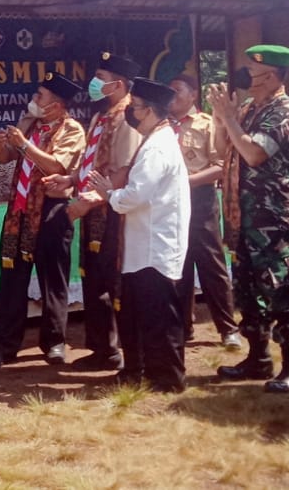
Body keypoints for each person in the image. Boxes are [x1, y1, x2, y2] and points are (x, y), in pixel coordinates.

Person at [76, 78, 190, 392]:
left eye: (136, 108)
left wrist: (109, 193)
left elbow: (135, 196)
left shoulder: (157, 146)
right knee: (143, 315)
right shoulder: (153, 140)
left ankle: (168, 378)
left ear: (149, 110)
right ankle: (149, 372)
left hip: (155, 246)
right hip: (143, 245)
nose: (132, 113)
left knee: (159, 317)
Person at [207, 44, 289, 393]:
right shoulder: (250, 108)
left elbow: (253, 153)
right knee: (248, 289)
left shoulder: (283, 111)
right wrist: (221, 119)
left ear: (273, 77)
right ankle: (258, 357)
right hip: (241, 215)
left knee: (278, 290)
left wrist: (231, 119)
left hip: (270, 218)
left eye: (255, 74)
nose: (248, 79)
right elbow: (224, 151)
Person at [0, 72, 85, 367]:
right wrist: (7, 141)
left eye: (40, 96)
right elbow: (5, 158)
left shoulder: (72, 129)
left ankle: (54, 342)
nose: (34, 100)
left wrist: (25, 145)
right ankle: (4, 345)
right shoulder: (31, 125)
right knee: (12, 278)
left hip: (51, 209)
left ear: (56, 105)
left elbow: (56, 166)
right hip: (20, 210)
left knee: (53, 279)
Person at [70, 52, 142, 372]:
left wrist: (92, 199)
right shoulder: (101, 116)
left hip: (112, 210)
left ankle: (127, 353)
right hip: (92, 208)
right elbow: (91, 162)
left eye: (101, 77)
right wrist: (70, 180)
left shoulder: (128, 117)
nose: (94, 83)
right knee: (93, 279)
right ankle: (102, 350)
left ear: (119, 84)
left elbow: (123, 171)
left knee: (113, 282)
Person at [168, 73, 240, 350]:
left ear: (193, 95)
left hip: (199, 200)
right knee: (178, 265)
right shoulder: (162, 126)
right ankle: (182, 327)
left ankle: (228, 328)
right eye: (170, 90)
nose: (173, 95)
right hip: (169, 203)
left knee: (211, 265)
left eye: (178, 90)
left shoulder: (207, 123)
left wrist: (187, 182)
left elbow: (221, 166)